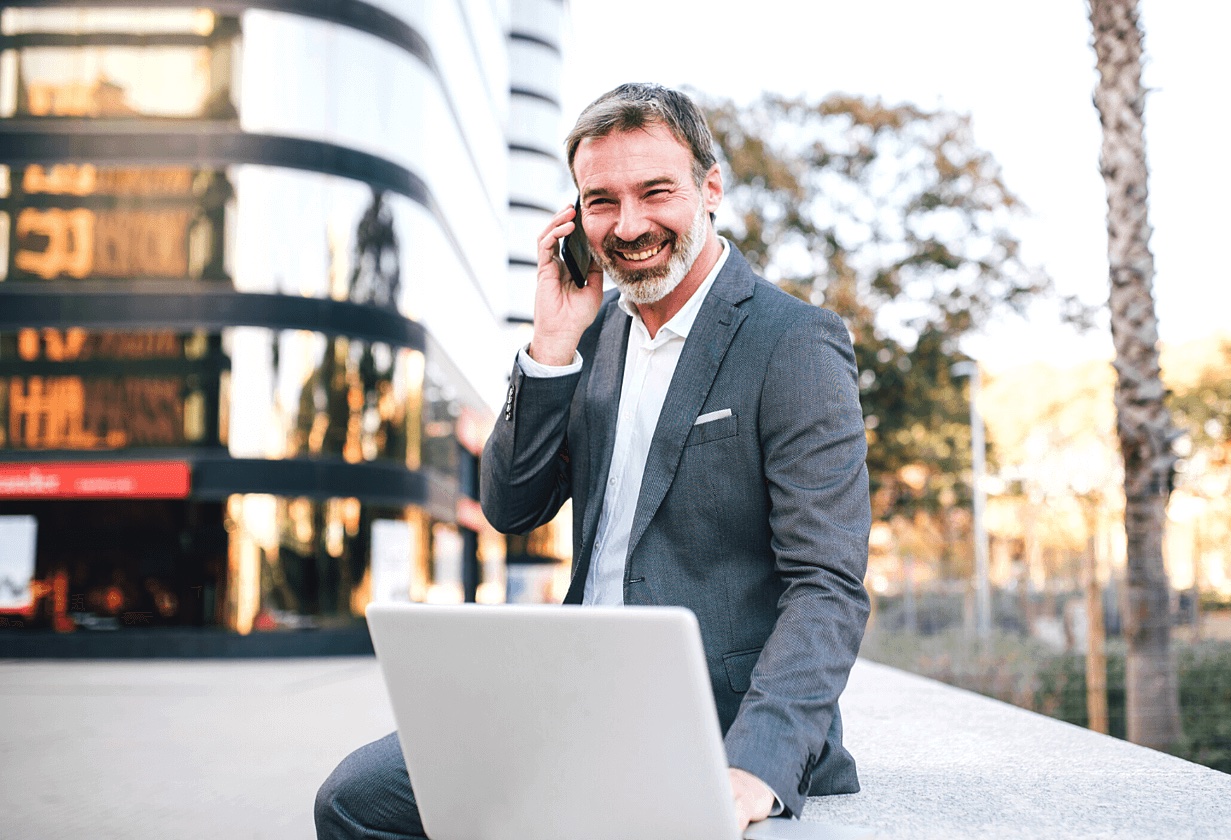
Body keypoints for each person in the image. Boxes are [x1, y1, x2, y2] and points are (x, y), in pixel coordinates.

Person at [314, 83, 871, 838]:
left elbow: (827, 585)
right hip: (576, 694)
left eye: (656, 192)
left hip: (721, 720)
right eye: (602, 200)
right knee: (354, 800)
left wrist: (756, 768)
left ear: (710, 190)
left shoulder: (794, 342)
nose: (631, 224)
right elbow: (511, 509)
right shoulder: (592, 338)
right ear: (576, 216)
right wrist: (550, 348)